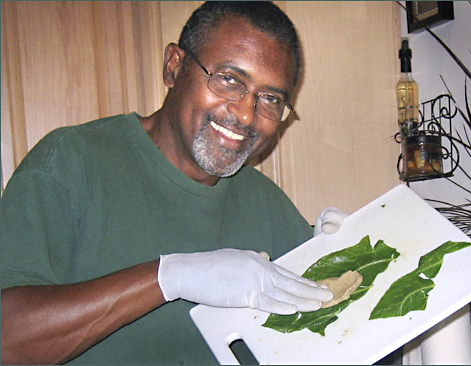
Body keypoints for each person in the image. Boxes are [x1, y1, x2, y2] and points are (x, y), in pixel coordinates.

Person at [0, 2, 345, 364]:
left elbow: (335, 345)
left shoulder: (268, 205)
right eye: (229, 79)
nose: (246, 114)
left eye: (270, 99)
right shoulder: (72, 162)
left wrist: (339, 258)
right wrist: (170, 277)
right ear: (174, 67)